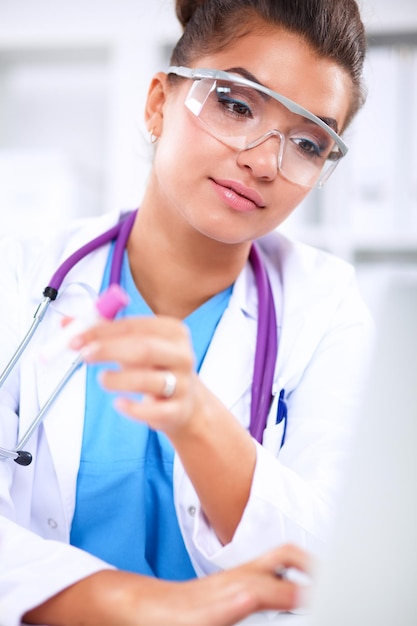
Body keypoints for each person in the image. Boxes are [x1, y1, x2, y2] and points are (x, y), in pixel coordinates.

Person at [0, 0, 374, 623]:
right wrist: (154, 607)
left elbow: (332, 563)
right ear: (158, 104)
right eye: (235, 104)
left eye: (307, 143)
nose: (261, 161)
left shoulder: (328, 309)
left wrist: (198, 417)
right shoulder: (21, 275)